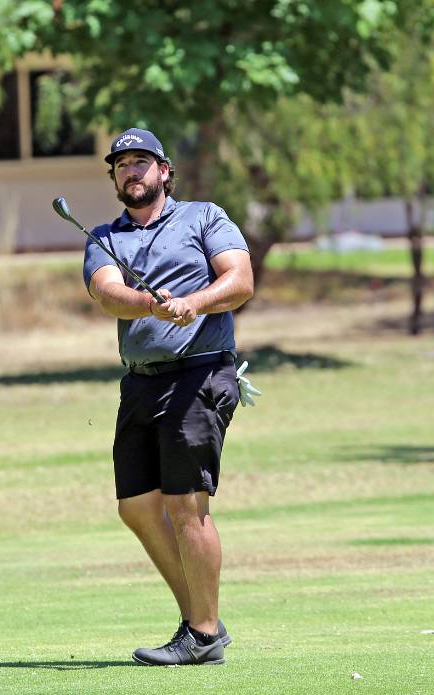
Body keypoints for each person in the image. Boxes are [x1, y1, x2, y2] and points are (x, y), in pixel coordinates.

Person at [82, 128, 256, 666]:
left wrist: (194, 303)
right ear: (114, 178)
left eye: (142, 162)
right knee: (135, 508)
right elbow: (107, 293)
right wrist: (148, 305)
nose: (131, 171)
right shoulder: (103, 237)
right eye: (122, 165)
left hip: (199, 374)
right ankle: (203, 619)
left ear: (164, 172)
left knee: (186, 504)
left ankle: (201, 634)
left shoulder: (204, 217)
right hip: (140, 381)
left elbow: (241, 279)